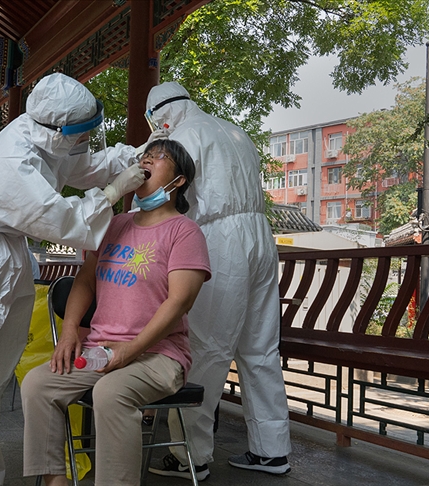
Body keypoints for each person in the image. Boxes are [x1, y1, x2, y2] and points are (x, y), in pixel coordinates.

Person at [0, 72, 146, 486]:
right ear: (57, 131)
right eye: (80, 133)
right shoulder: (12, 161)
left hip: (4, 259)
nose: (85, 140)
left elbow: (85, 164)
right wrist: (112, 194)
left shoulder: (44, 136)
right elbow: (62, 220)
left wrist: (137, 156)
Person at [22, 139, 210, 485]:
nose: (147, 159)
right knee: (38, 384)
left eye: (159, 156)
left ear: (178, 180)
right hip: (101, 351)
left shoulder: (185, 232)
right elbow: (85, 282)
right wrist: (69, 332)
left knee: (111, 392)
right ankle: (54, 481)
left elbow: (180, 301)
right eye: (145, 155)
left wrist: (130, 349)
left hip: (158, 356)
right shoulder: (115, 224)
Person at [145, 82, 293, 480]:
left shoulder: (178, 137)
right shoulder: (232, 129)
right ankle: (272, 451)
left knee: (205, 348)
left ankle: (189, 456)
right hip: (261, 238)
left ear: (160, 117)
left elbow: (161, 195)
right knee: (260, 349)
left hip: (217, 240)